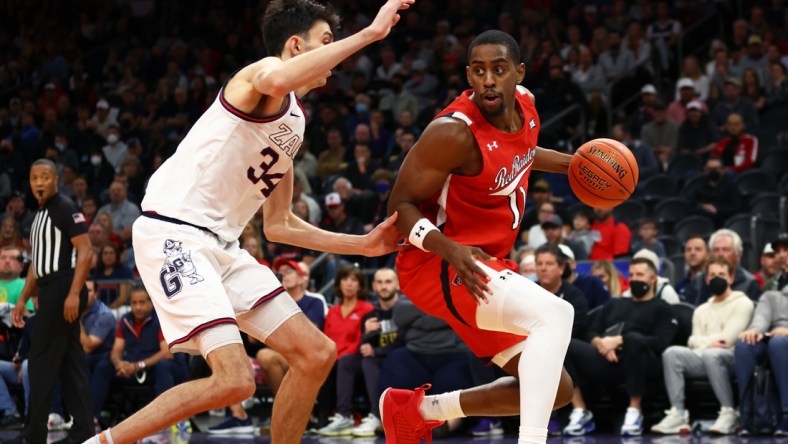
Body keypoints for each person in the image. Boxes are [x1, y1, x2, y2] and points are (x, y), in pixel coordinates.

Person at [82, 2, 410, 443]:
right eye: (327, 43)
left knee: (316, 354)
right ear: (296, 46)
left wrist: (363, 244)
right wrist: (370, 34)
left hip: (224, 246)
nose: (335, 58)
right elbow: (276, 78)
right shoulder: (260, 74)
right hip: (174, 232)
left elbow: (280, 225)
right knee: (235, 380)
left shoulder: (293, 123)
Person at [384, 30, 575, 444]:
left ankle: (419, 410)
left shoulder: (526, 106)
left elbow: (517, 152)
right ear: (469, 75)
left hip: (486, 263)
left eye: (499, 70)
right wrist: (449, 249)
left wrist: (573, 166)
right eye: (479, 71)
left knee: (555, 389)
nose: (488, 79)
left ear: (517, 74)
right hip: (440, 263)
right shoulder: (452, 133)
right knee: (556, 315)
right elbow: (399, 208)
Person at [10, 159, 94, 444]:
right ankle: (84, 430)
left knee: (40, 361)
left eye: (45, 177)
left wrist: (73, 292)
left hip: (64, 286)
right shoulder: (39, 215)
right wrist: (22, 298)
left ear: (56, 180)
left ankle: (34, 434)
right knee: (71, 363)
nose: (39, 183)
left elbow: (86, 251)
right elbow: (36, 263)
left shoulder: (65, 208)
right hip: (50, 289)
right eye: (34, 178)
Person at [563, 258, 678, 436]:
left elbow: (661, 342)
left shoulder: (663, 308)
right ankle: (581, 411)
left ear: (653, 278)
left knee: (633, 339)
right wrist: (601, 344)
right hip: (608, 359)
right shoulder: (615, 304)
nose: (634, 279)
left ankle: (635, 410)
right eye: (631, 275)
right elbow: (591, 332)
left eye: (639, 275)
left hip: (644, 363)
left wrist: (619, 341)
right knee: (564, 343)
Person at [652, 257, 754, 435]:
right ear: (706, 280)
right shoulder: (701, 310)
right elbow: (692, 341)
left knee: (712, 354)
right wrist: (708, 343)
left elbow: (728, 340)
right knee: (672, 353)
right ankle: (678, 413)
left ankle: (728, 412)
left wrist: (704, 343)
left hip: (735, 358)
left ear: (731, 278)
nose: (716, 278)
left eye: (721, 274)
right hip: (706, 356)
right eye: (712, 275)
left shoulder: (743, 303)